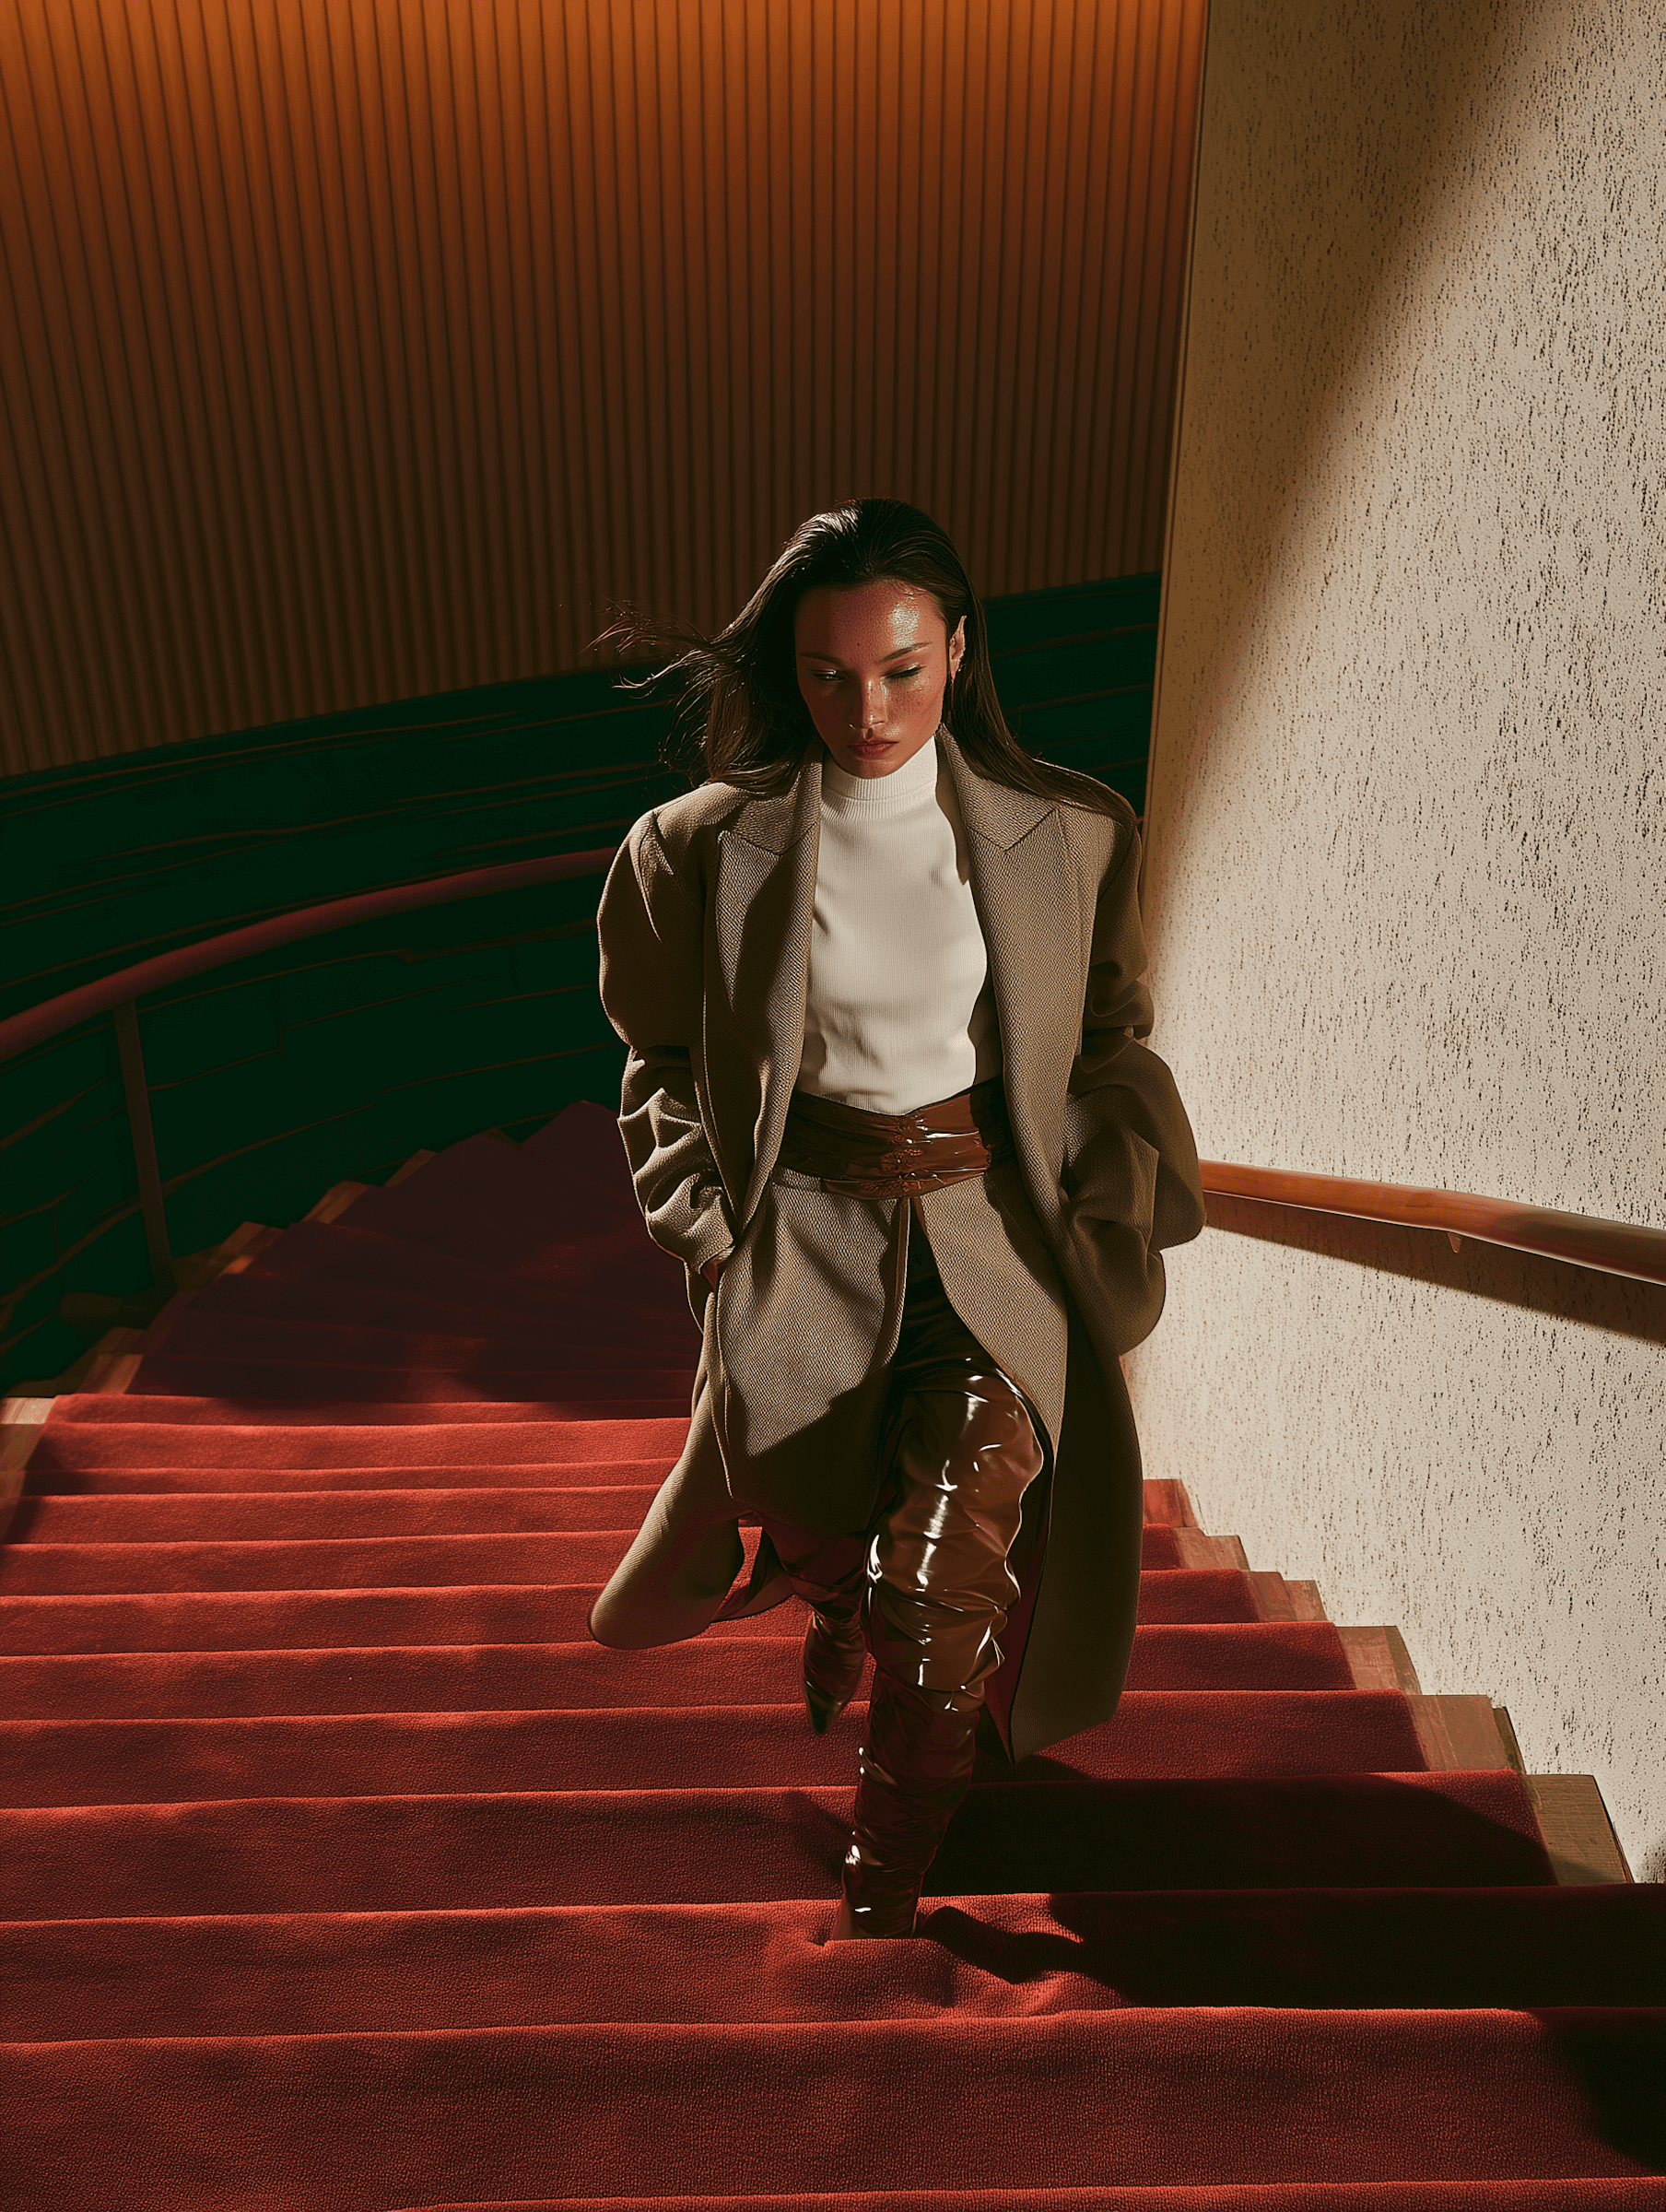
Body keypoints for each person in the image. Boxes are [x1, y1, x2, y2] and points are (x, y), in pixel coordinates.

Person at [588, 497, 1204, 1938]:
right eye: (830, 674)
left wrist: (1104, 1193)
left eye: (903, 670)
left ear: (960, 652)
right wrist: (708, 1228)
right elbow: (658, 1057)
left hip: (996, 1240)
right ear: (789, 670)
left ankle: (886, 1881)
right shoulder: (691, 848)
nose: (868, 710)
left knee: (945, 1572)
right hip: (801, 1241)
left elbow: (1104, 1037)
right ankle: (831, 1599)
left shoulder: (1075, 832)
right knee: (834, 1526)